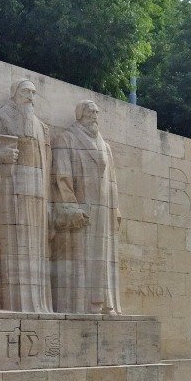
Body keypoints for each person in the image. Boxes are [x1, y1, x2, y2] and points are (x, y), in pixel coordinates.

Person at [50, 100, 122, 315]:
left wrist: (115, 208)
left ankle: (104, 303)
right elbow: (61, 177)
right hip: (80, 210)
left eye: (96, 112)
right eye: (90, 111)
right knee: (80, 258)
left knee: (102, 258)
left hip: (103, 211)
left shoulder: (105, 146)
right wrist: (70, 206)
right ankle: (81, 305)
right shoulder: (67, 139)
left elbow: (112, 182)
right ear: (80, 113)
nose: (94, 115)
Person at [0, 79, 53, 312]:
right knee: (10, 243)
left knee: (35, 248)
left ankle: (36, 303)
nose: (31, 96)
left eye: (34, 93)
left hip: (37, 195)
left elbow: (47, 165)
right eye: (26, 91)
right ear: (14, 93)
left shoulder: (42, 127)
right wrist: (1, 155)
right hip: (9, 189)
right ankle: (8, 300)